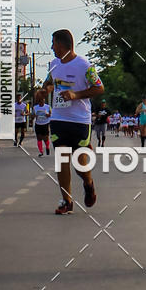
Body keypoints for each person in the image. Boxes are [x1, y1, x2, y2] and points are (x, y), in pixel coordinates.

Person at [44, 28, 104, 214]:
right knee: (61, 160)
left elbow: (99, 88)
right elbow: (48, 82)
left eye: (53, 43)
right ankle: (66, 201)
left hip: (79, 120)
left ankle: (88, 183)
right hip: (58, 118)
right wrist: (45, 90)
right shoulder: (54, 63)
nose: (52, 47)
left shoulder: (85, 65)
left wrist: (76, 94)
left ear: (61, 45)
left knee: (79, 163)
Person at [32, 89, 51, 157]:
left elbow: (51, 115)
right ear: (39, 102)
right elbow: (32, 116)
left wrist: (48, 115)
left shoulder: (47, 107)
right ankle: (41, 152)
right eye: (40, 101)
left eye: (43, 101)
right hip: (38, 124)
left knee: (46, 138)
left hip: (45, 124)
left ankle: (47, 147)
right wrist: (34, 116)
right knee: (39, 138)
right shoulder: (35, 107)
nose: (42, 102)